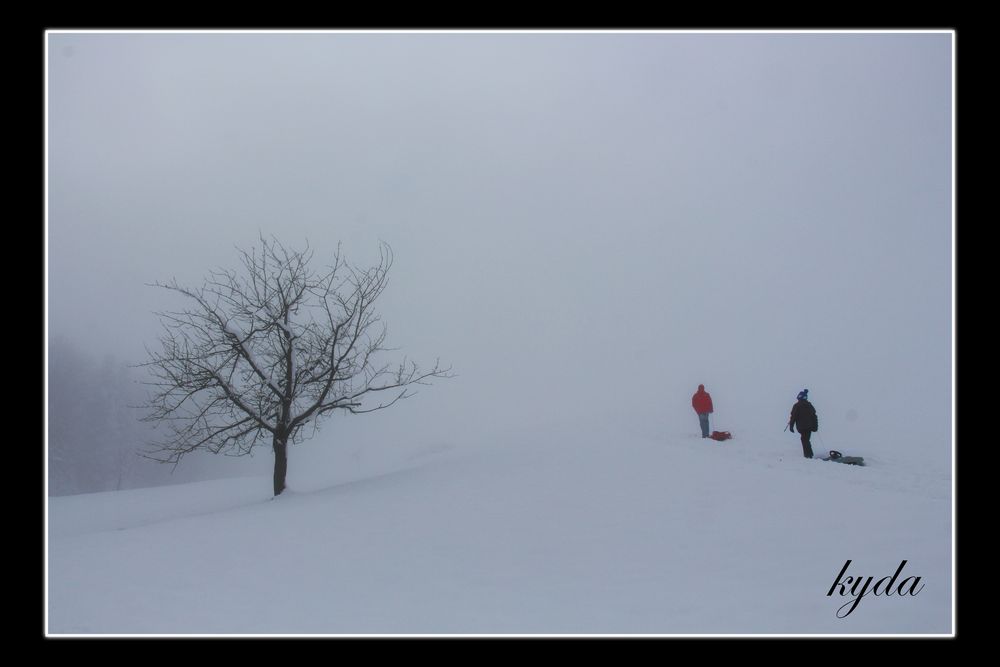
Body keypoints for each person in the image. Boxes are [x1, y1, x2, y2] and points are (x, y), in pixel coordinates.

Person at [788, 389, 818, 458]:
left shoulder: (797, 405)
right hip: (809, 427)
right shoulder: (809, 405)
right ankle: (809, 454)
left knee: (804, 440)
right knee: (806, 440)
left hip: (802, 427)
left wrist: (791, 426)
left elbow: (793, 417)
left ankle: (808, 455)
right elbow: (814, 416)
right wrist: (815, 426)